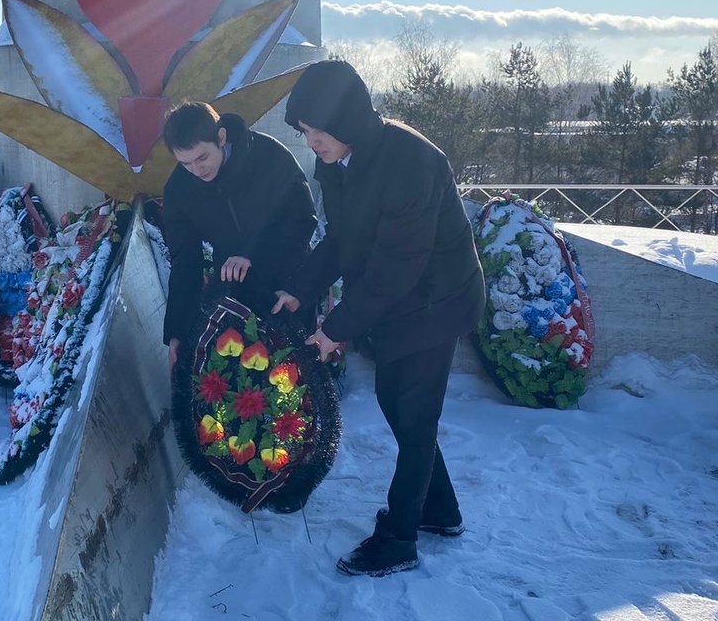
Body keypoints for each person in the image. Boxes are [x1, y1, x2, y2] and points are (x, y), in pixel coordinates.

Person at [271, 60, 485, 577]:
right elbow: (343, 238)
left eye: (319, 131)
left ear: (346, 119)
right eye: (305, 132)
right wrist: (300, 288)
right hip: (400, 300)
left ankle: (399, 540)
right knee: (399, 406)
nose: (312, 143)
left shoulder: (410, 163)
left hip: (436, 300)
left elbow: (396, 269)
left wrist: (334, 330)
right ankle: (441, 510)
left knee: (414, 418)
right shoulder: (339, 158)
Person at [161, 101, 317, 371]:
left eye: (202, 158)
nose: (197, 170)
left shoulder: (269, 156)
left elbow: (302, 221)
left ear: (221, 137)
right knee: (240, 380)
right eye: (185, 163)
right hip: (234, 286)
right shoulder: (179, 189)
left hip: (288, 279)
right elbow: (185, 261)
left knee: (297, 375)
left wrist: (252, 256)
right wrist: (177, 332)